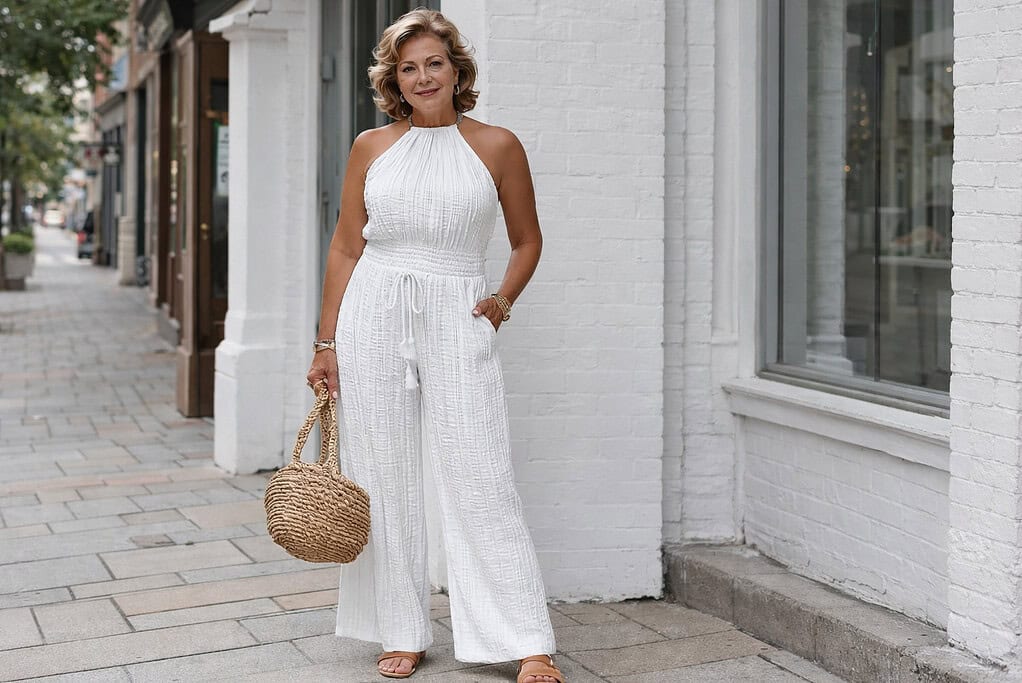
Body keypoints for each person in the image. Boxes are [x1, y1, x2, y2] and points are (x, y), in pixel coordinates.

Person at [305, 8, 563, 683]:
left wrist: (501, 301)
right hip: (373, 308)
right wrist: (325, 340)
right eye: (408, 67)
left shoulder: (497, 145)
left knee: (480, 471)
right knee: (383, 472)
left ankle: (526, 638)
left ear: (457, 70)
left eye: (433, 64)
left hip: (456, 306)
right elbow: (344, 245)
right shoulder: (371, 146)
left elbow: (528, 240)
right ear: (394, 78)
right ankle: (402, 628)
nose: (422, 77)